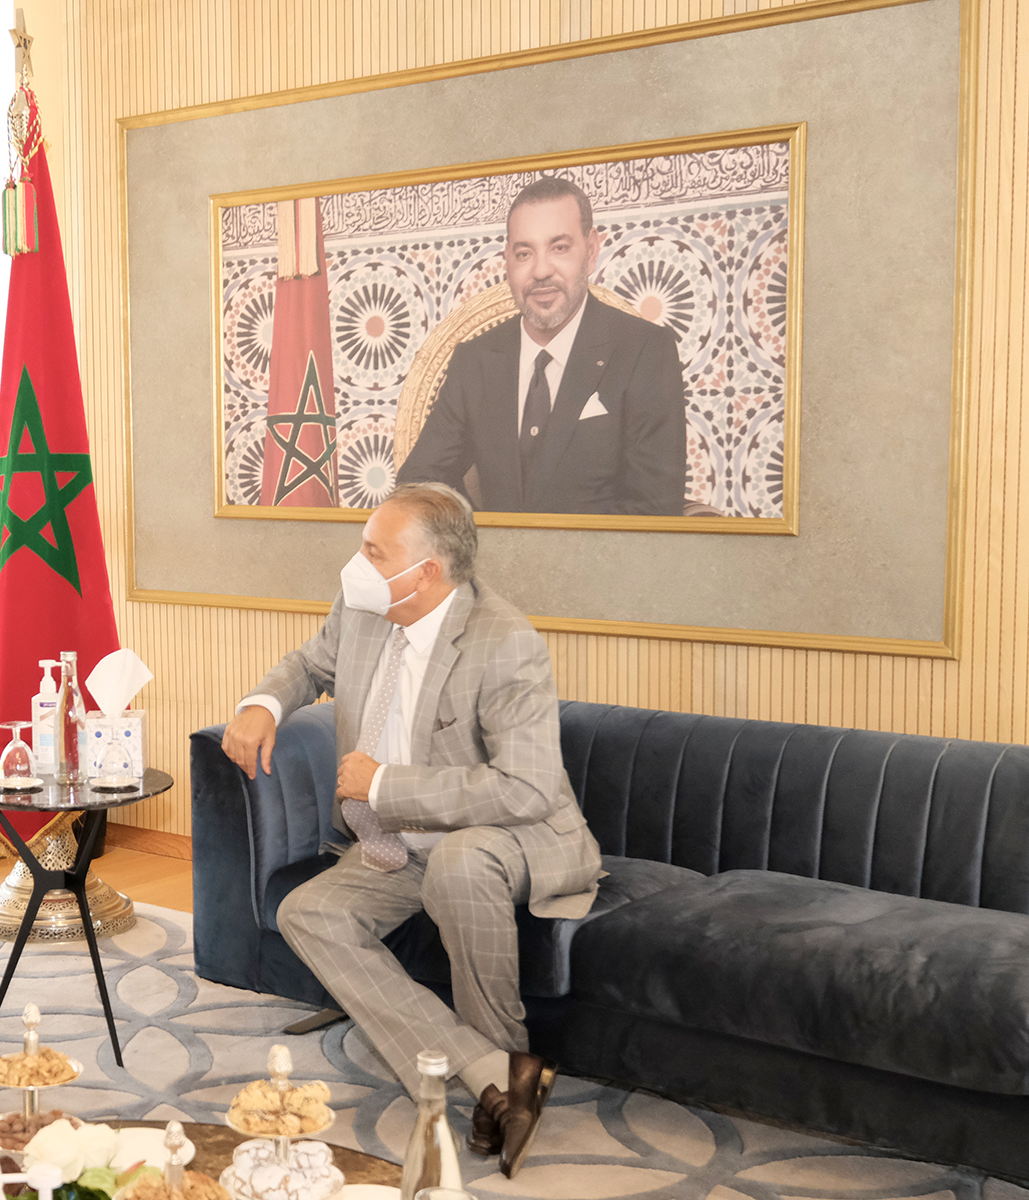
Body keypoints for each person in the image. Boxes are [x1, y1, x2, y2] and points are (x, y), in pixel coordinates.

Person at [219, 483, 602, 1178]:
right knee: (308, 912)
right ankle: (496, 1073)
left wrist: (384, 786)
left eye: (375, 551)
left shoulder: (504, 641)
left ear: (425, 572)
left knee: (460, 862)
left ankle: (497, 1076)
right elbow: (310, 664)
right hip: (398, 843)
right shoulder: (364, 608)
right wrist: (262, 704)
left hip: (514, 834)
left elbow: (527, 787)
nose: (356, 563)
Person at [395, 176, 686, 515]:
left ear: (591, 250)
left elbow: (655, 511)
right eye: (524, 253)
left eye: (559, 248)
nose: (541, 270)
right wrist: (472, 533)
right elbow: (417, 484)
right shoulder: (474, 360)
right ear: (507, 261)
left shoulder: (646, 351)